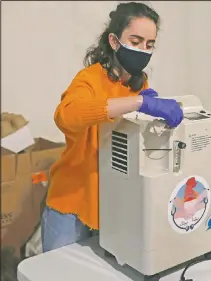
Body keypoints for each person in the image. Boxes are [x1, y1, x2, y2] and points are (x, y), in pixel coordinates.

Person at [41, 2, 183, 252]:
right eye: (136, 41)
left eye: (149, 45)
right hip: (72, 203)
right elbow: (66, 116)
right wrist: (138, 102)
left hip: (112, 204)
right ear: (115, 41)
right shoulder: (90, 78)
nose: (143, 50)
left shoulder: (139, 82)